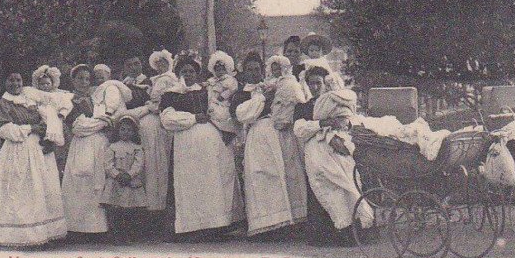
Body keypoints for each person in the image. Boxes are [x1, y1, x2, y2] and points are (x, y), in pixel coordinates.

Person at [159, 53, 244, 238]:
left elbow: (218, 112)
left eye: (191, 71)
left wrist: (227, 131)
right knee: (191, 184)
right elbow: (167, 119)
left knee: (213, 182)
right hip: (186, 147)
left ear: (197, 74)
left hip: (211, 145)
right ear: (178, 74)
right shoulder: (171, 94)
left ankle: (216, 226)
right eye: (184, 71)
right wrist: (193, 118)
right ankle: (192, 228)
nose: (188, 75)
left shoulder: (206, 92)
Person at [0, 69, 67, 247]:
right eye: (11, 80)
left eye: (19, 80)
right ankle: (20, 237)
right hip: (17, 151)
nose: (16, 84)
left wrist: (47, 132)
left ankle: (44, 234)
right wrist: (32, 128)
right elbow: (6, 131)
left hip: (39, 150)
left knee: (42, 190)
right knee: (20, 192)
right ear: (4, 83)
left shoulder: (30, 100)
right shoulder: (1, 104)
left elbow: (48, 117)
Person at [232, 51, 307, 237]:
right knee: (262, 175)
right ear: (244, 72)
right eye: (249, 69)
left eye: (257, 69)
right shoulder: (244, 93)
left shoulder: (276, 85)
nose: (253, 73)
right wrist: (262, 98)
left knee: (287, 173)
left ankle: (290, 223)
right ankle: (266, 225)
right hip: (258, 134)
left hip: (281, 132)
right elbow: (243, 115)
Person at [293, 85, 375, 245]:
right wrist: (323, 123)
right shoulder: (304, 107)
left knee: (349, 186)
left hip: (338, 150)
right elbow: (300, 130)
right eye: (311, 83)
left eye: (319, 83)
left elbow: (349, 122)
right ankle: (335, 233)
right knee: (330, 190)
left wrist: (341, 127)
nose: (315, 87)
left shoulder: (335, 103)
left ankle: (357, 229)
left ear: (325, 84)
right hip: (319, 151)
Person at [61, 64, 116, 237]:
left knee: (97, 184)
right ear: (73, 80)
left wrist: (101, 122)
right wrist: (103, 122)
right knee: (80, 184)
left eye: (87, 79)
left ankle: (97, 230)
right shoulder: (69, 100)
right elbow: (78, 127)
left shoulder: (95, 99)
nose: (84, 82)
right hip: (82, 145)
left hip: (99, 145)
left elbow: (100, 119)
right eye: (80, 78)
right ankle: (76, 229)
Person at [125, 50, 179, 216]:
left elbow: (159, 103)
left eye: (137, 64)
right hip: (140, 125)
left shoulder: (160, 81)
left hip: (155, 125)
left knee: (156, 164)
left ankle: (157, 206)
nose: (134, 68)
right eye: (129, 65)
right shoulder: (128, 83)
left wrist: (147, 107)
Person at [100, 114, 147, 243]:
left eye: (129, 130)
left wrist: (129, 175)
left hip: (130, 182)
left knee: (130, 211)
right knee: (116, 210)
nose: (126, 133)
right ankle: (116, 235)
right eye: (123, 129)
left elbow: (139, 164)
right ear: (118, 131)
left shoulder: (137, 148)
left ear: (134, 132)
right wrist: (117, 174)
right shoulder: (112, 147)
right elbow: (107, 164)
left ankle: (129, 235)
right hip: (116, 182)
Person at [22, 65, 73, 150]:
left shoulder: (57, 94)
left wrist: (63, 113)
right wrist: (31, 105)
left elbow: (65, 104)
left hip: (53, 113)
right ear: (38, 84)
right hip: (40, 110)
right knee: (42, 123)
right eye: (42, 84)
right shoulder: (36, 92)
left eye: (47, 83)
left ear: (52, 84)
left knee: (54, 122)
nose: (45, 86)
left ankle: (50, 141)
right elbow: (31, 98)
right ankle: (43, 138)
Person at [298, 32, 345, 98]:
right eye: (311, 50)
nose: (314, 53)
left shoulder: (323, 62)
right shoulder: (306, 62)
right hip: (309, 82)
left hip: (322, 82)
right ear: (308, 52)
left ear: (322, 52)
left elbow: (329, 72)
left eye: (317, 50)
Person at [205, 49, 239, 136]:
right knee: (211, 110)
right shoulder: (212, 80)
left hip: (223, 101)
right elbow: (208, 85)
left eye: (222, 70)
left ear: (226, 69)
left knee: (222, 113)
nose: (220, 72)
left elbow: (233, 89)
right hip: (213, 99)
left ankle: (224, 129)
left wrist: (223, 95)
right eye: (217, 70)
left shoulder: (229, 79)